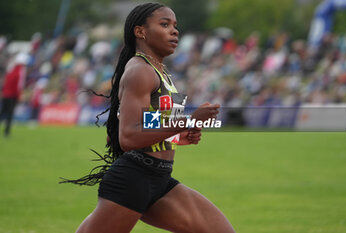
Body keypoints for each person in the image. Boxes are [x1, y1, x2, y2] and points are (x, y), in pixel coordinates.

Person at [62, 3, 235, 233]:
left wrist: (179, 134)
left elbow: (149, 123)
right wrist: (188, 121)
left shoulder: (160, 71)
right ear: (140, 31)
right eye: (164, 25)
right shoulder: (140, 70)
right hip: (134, 179)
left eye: (175, 26)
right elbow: (130, 137)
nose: (174, 31)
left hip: (160, 178)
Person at [0, 52, 29, 137]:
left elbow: (6, 81)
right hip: (13, 95)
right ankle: (7, 132)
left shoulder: (11, 68)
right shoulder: (21, 70)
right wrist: (20, 95)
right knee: (9, 114)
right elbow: (20, 84)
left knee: (3, 112)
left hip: (6, 94)